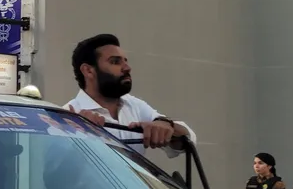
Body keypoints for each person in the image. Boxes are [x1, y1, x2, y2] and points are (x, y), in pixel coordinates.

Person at [66, 34, 196, 153]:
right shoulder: (66, 116)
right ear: (88, 71)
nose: (127, 68)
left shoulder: (134, 105)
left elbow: (189, 137)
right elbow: (51, 170)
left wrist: (166, 125)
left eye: (125, 61)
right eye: (115, 62)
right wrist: (79, 132)